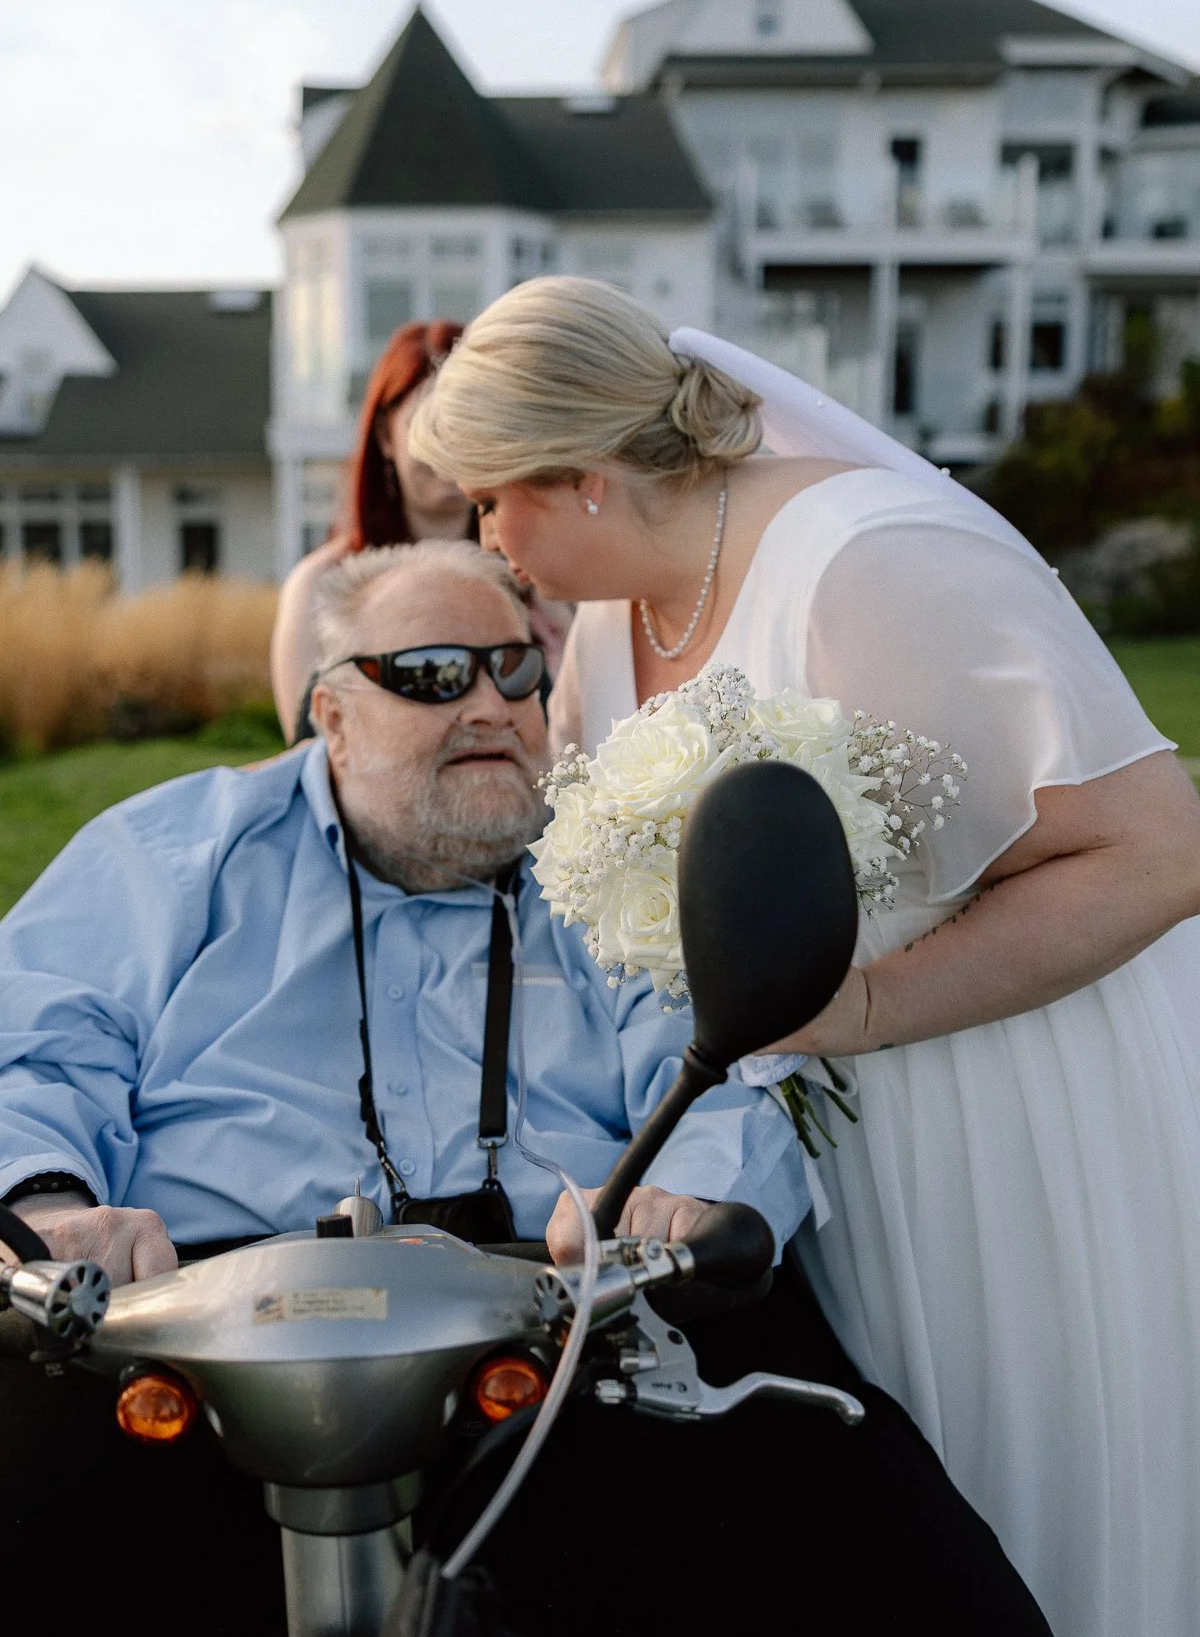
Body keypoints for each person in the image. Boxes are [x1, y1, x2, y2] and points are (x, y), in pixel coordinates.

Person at [0, 541, 1051, 1637]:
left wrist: (681, 1201)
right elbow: (35, 1035)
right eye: (434, 675)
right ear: (332, 713)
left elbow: (729, 1067)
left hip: (578, 1309)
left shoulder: (614, 866)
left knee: (871, 1542)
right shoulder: (170, 848)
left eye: (514, 671)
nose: (491, 707)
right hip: (197, 1315)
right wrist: (49, 1205)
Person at [409, 274, 1200, 1637]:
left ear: (591, 476)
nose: (488, 539)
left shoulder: (871, 566)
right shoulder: (613, 620)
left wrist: (866, 1002)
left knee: (1027, 1474)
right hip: (808, 1139)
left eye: (494, 500)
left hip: (1003, 1095)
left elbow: (1160, 850)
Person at [270, 320, 568, 743]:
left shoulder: (540, 579)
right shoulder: (320, 585)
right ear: (384, 436)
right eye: (424, 422)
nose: (445, 445)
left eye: (465, 423)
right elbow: (309, 753)